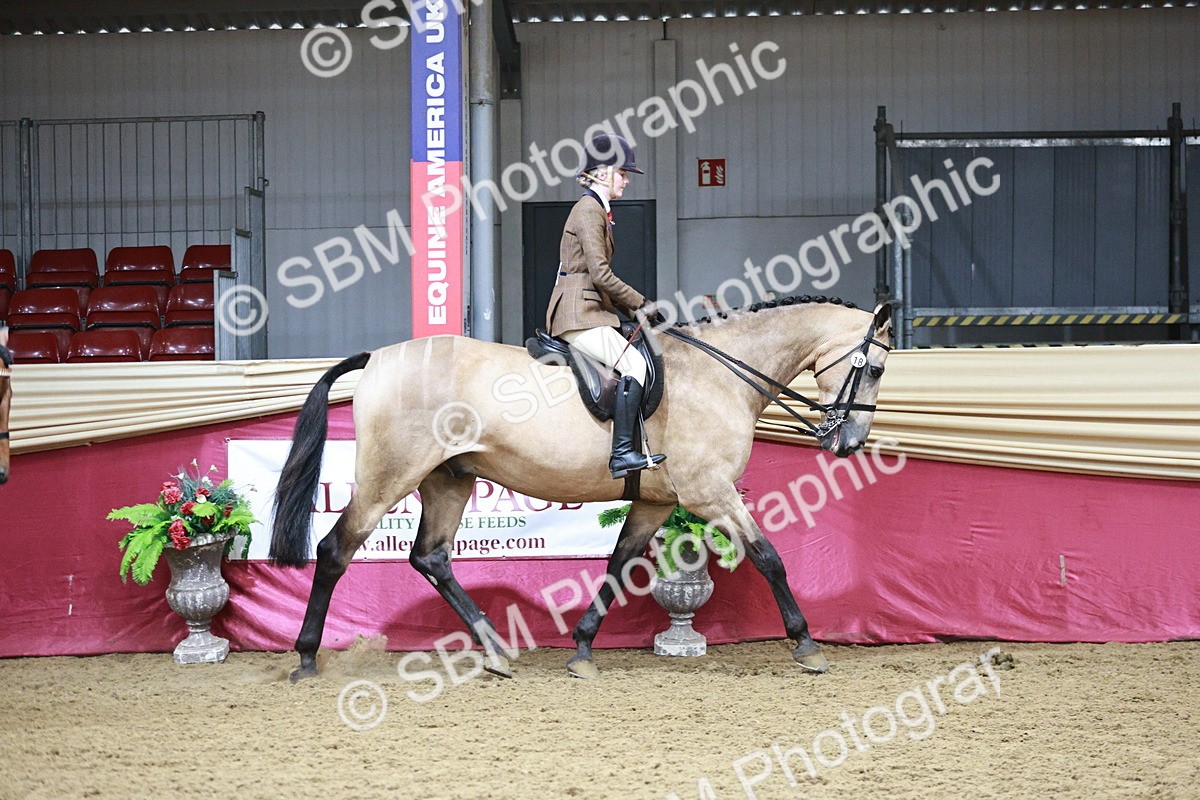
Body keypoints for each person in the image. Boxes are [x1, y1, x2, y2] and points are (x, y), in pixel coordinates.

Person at [545, 133, 666, 479]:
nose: (626, 181)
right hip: (577, 313)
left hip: (590, 309)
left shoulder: (597, 210)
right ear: (601, 173)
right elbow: (600, 274)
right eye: (622, 173)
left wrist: (629, 314)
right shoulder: (588, 211)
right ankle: (623, 453)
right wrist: (641, 304)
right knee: (634, 365)